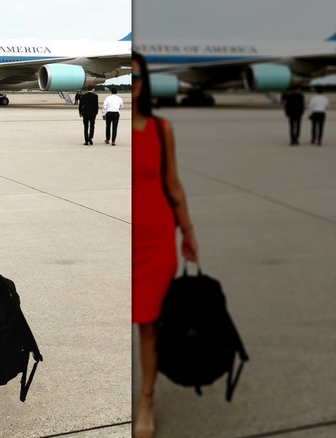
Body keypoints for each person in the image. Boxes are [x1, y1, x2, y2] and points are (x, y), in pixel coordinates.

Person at [131, 51, 199, 438]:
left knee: (149, 326)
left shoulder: (161, 129)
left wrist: (188, 230)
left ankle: (146, 399)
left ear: (146, 83)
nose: (133, 84)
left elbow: (173, 184)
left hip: (155, 241)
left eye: (138, 78)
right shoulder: (115, 126)